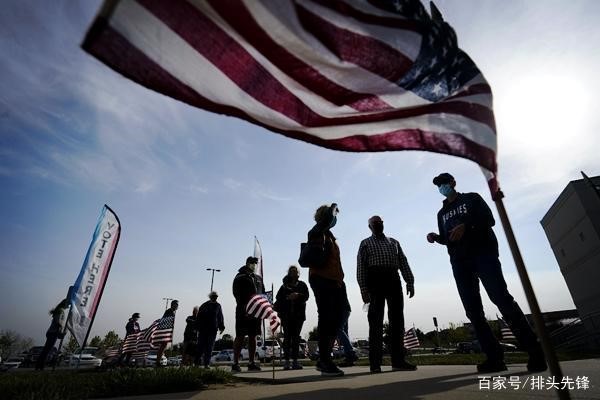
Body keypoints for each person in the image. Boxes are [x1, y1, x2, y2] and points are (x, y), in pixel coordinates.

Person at [426, 172, 547, 373]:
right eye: (438, 185)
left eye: (444, 183)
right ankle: (494, 358)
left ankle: (535, 352)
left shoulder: (472, 198)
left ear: (453, 183)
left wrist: (467, 225)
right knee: (473, 311)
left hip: (483, 254)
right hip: (459, 262)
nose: (442, 187)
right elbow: (449, 239)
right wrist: (436, 237)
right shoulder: (442, 213)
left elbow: (489, 220)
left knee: (501, 298)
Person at [357, 215, 417, 373]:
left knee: (397, 320)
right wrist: (363, 288)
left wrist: (409, 281)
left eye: (380, 222)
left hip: (393, 279)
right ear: (370, 226)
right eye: (374, 223)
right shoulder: (365, 243)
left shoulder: (394, 242)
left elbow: (403, 261)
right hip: (375, 280)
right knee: (375, 321)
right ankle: (375, 363)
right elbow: (361, 266)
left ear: (383, 224)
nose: (378, 225)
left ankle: (398, 360)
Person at [306, 203, 346, 377]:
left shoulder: (330, 236)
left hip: (335, 281)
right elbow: (323, 224)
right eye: (333, 216)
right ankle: (324, 360)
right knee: (327, 318)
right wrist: (331, 210)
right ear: (327, 217)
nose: (336, 218)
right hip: (322, 279)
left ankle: (324, 358)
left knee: (341, 315)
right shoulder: (317, 232)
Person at [232, 256, 265, 372]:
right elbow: (236, 293)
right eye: (252, 263)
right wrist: (245, 306)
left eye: (255, 263)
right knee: (240, 336)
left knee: (253, 336)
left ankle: (251, 362)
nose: (254, 265)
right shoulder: (240, 276)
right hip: (243, 310)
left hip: (256, 312)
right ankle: (235, 363)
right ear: (247, 263)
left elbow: (263, 294)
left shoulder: (258, 278)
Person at [275, 265, 309, 370]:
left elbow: (306, 296)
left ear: (298, 273)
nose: (294, 273)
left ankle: (295, 361)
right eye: (291, 271)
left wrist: (298, 295)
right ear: (289, 273)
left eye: (295, 271)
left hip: (298, 316)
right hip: (286, 316)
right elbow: (278, 298)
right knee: (287, 338)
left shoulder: (302, 285)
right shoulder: (284, 286)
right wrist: (287, 297)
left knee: (295, 338)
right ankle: (286, 361)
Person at [36, 298, 69, 370]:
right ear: (65, 304)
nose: (68, 306)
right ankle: (40, 366)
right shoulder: (61, 310)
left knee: (46, 350)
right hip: (53, 333)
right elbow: (58, 322)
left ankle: (39, 365)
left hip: (52, 332)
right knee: (47, 350)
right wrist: (61, 330)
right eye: (68, 304)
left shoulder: (59, 309)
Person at [195, 291, 225, 368]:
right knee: (200, 346)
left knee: (210, 347)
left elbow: (220, 317)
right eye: (213, 296)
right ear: (210, 297)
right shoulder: (204, 305)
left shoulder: (218, 306)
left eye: (216, 296)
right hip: (203, 329)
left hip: (213, 329)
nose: (215, 297)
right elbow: (198, 317)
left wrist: (221, 327)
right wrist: (197, 327)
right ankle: (196, 363)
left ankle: (206, 363)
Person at [334, 283, 358, 367]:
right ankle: (349, 358)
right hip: (345, 308)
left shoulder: (336, 282)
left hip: (341, 309)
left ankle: (350, 353)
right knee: (344, 332)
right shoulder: (340, 281)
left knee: (338, 329)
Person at [155, 299, 178, 367]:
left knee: (163, 347)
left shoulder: (172, 312)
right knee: (163, 346)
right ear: (173, 305)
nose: (177, 306)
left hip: (166, 331)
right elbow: (165, 321)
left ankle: (158, 362)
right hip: (164, 332)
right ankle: (158, 362)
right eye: (176, 305)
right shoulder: (169, 311)